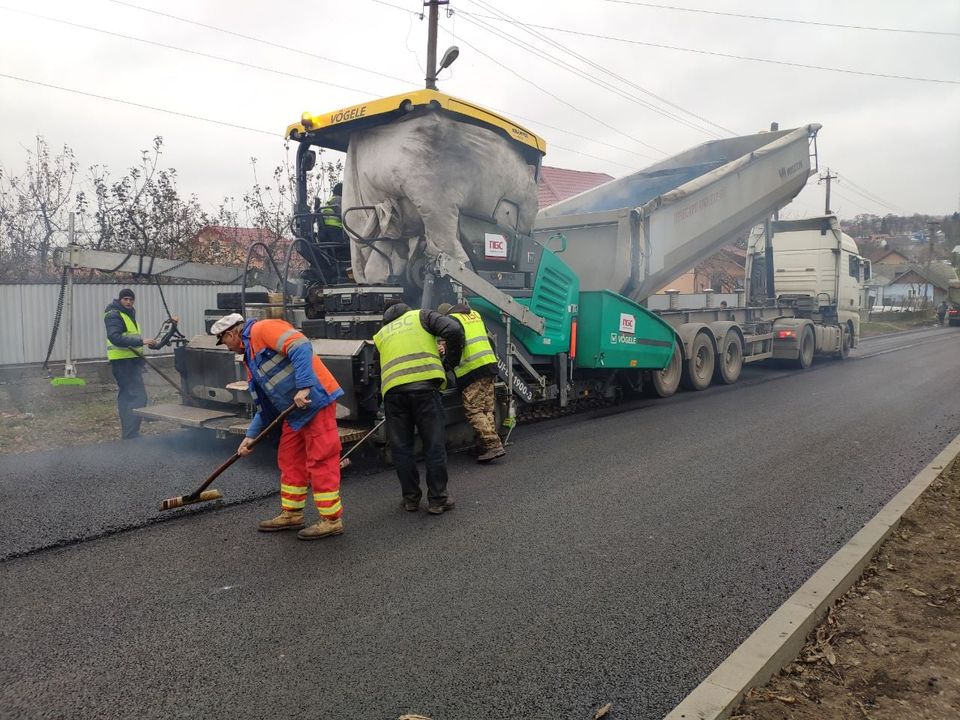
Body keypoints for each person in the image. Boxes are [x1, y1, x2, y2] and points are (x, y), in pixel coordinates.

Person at [211, 312, 346, 540]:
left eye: (224, 341)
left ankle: (331, 520)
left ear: (231, 333)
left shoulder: (263, 329)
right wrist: (251, 436)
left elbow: (301, 346)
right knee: (289, 457)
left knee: (320, 458)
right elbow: (266, 402)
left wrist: (304, 387)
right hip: (293, 412)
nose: (226, 347)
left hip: (315, 400)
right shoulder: (250, 357)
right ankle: (292, 514)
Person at [373, 302, 464, 514]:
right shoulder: (421, 316)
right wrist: (449, 362)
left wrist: (383, 395)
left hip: (393, 393)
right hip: (425, 389)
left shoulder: (381, 334)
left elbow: (377, 370)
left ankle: (411, 499)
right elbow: (453, 329)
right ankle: (438, 499)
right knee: (433, 444)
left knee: (401, 448)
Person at [439, 302, 505, 463]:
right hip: (489, 364)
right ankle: (484, 444)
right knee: (486, 408)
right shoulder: (473, 314)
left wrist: (447, 363)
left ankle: (493, 445)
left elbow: (457, 347)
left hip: (472, 370)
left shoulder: (451, 321)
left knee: (473, 410)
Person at [104, 288, 156, 439]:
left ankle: (129, 434)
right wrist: (141, 341)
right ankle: (131, 435)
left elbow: (129, 336)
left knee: (128, 397)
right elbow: (115, 338)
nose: (128, 302)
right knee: (137, 397)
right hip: (123, 362)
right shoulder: (114, 314)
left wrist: (148, 343)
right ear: (120, 300)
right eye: (125, 299)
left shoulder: (127, 313)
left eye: (131, 299)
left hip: (130, 362)